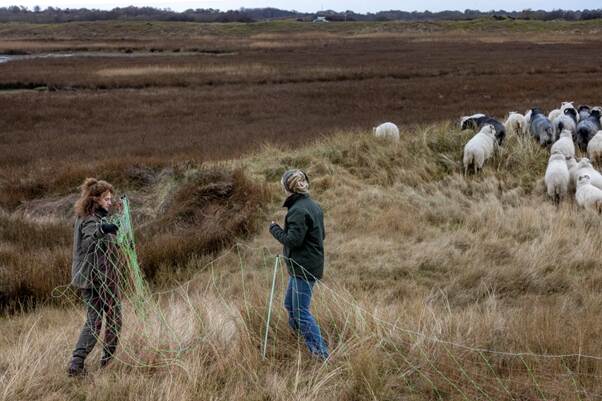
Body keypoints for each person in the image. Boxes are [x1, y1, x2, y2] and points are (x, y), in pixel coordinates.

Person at [269, 169, 329, 360]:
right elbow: (322, 235)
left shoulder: (298, 210)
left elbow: (292, 240)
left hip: (304, 269)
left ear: (288, 188)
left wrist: (274, 229)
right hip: (304, 266)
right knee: (290, 305)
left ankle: (321, 354)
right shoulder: (313, 206)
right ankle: (297, 341)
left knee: (301, 312)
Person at [67, 178, 121, 376]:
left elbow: (105, 241)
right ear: (96, 199)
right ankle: (103, 365)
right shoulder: (90, 220)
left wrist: (113, 231)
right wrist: (103, 230)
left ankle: (77, 363)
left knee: (95, 320)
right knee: (110, 319)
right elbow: (89, 242)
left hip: (96, 276)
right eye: (107, 199)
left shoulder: (93, 216)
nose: (110, 202)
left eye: (111, 198)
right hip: (96, 278)